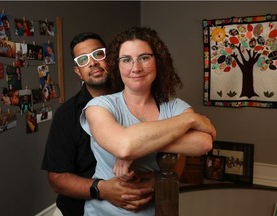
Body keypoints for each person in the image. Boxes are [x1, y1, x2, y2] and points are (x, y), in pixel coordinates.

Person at [80, 26, 216, 215]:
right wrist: (191, 120)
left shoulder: (174, 106)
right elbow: (124, 146)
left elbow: (203, 143)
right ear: (116, 65)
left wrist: (136, 147)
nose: (136, 68)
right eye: (126, 60)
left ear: (157, 62)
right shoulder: (99, 106)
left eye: (144, 57)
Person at [41, 32, 156, 216]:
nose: (92, 62)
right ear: (78, 71)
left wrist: (158, 179)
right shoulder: (67, 114)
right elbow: (56, 178)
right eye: (83, 59)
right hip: (83, 209)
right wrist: (100, 189)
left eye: (98, 54)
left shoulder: (140, 97)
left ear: (110, 58)